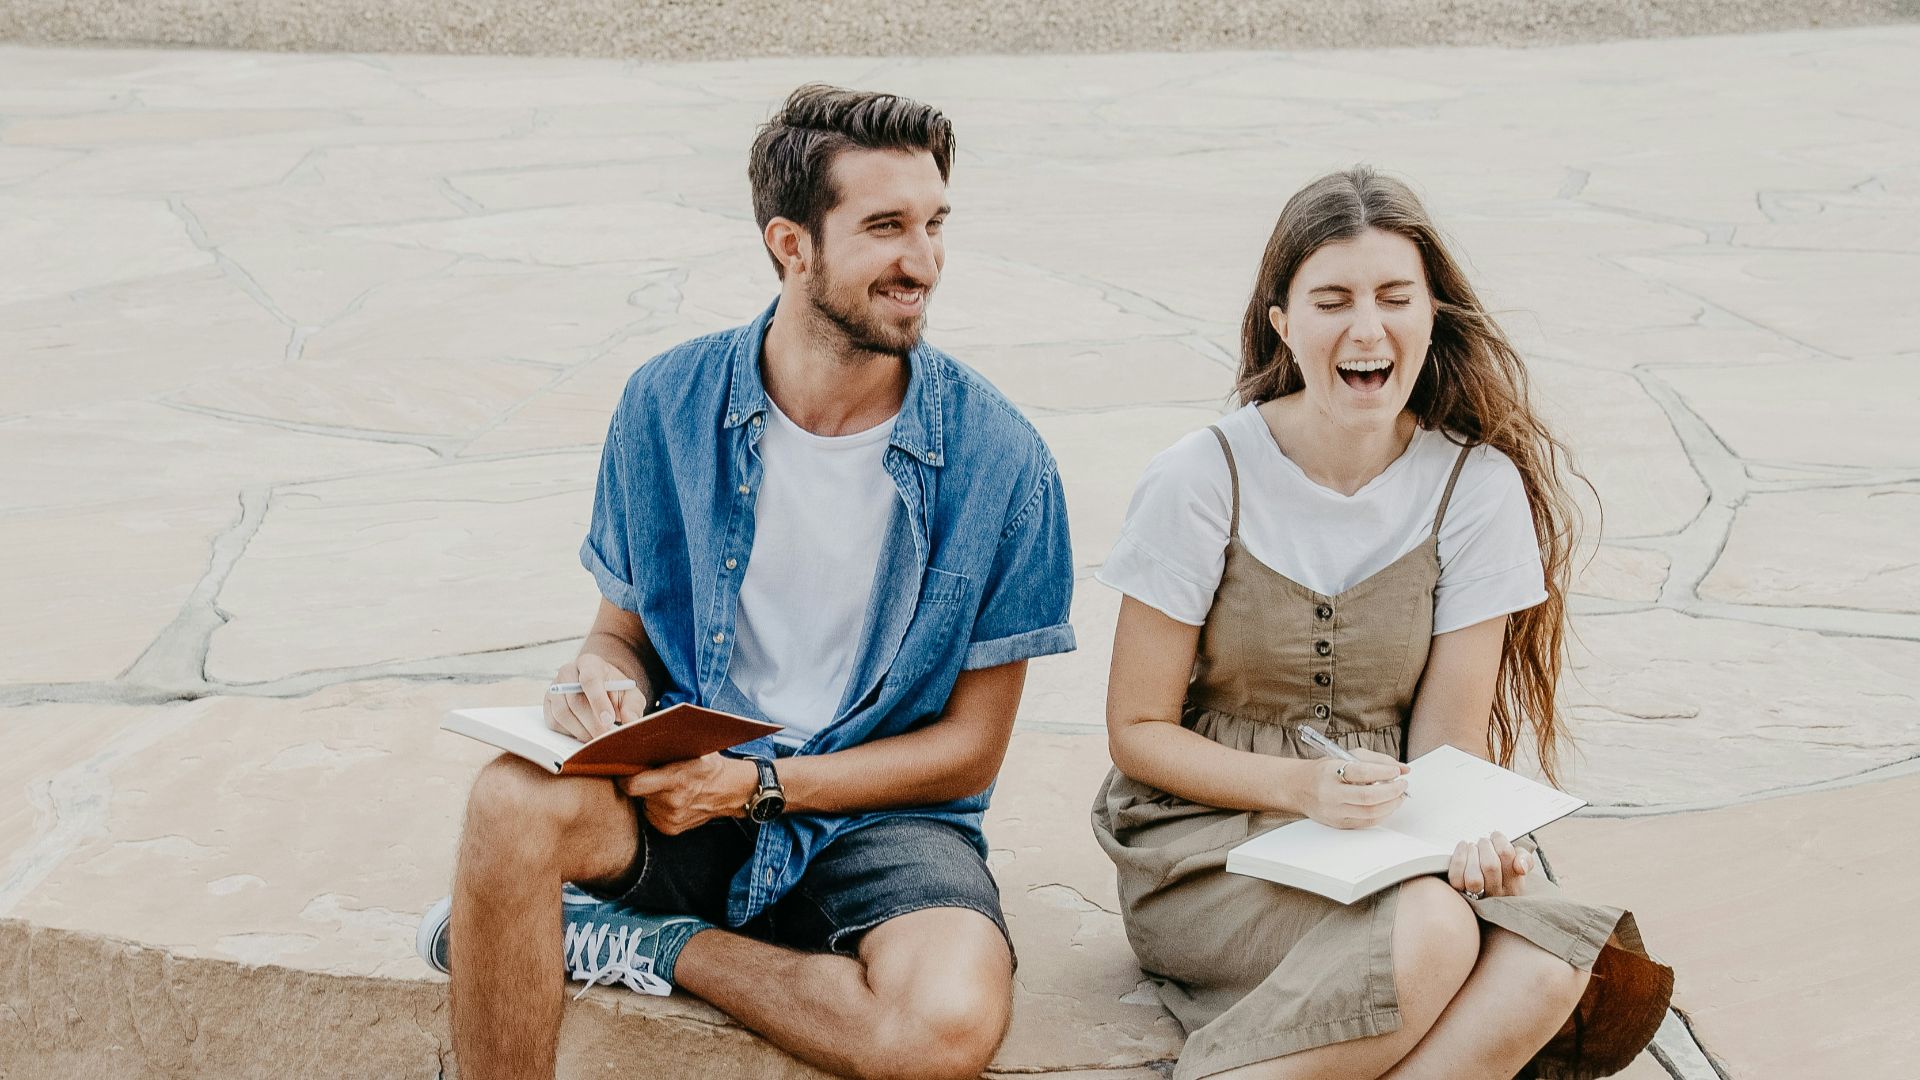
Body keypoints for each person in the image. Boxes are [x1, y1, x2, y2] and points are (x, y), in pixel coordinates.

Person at [417, 84, 1076, 1080]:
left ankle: (643, 946)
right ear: (790, 243)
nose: (925, 263)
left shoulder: (1002, 459)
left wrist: (765, 787)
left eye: (936, 224)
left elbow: (969, 753)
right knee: (509, 803)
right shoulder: (666, 405)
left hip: (880, 814)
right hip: (683, 790)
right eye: (887, 227)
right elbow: (618, 633)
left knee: (941, 1031)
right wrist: (599, 681)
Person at [1091, 166, 1672, 1080]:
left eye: (1395, 297)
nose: (1368, 328)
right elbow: (1137, 734)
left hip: (1391, 831)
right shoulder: (1201, 478)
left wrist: (1478, 844)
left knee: (1548, 956)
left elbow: (1449, 744)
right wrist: (1301, 793)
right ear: (1283, 322)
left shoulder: (1475, 488)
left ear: (1431, 313)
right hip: (1203, 839)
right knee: (1436, 930)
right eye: (1332, 301)